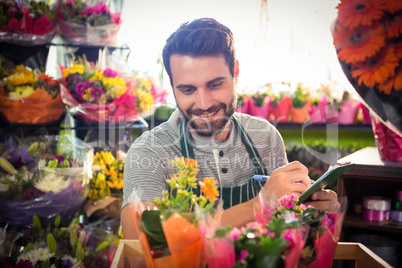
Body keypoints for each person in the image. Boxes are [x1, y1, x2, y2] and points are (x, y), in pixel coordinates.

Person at [121, 17, 339, 249]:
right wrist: (259, 204)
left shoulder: (264, 136)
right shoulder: (151, 150)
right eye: (187, 90)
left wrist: (308, 210)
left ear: (235, 72)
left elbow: (283, 229)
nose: (203, 104)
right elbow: (138, 247)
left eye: (215, 85)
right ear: (172, 85)